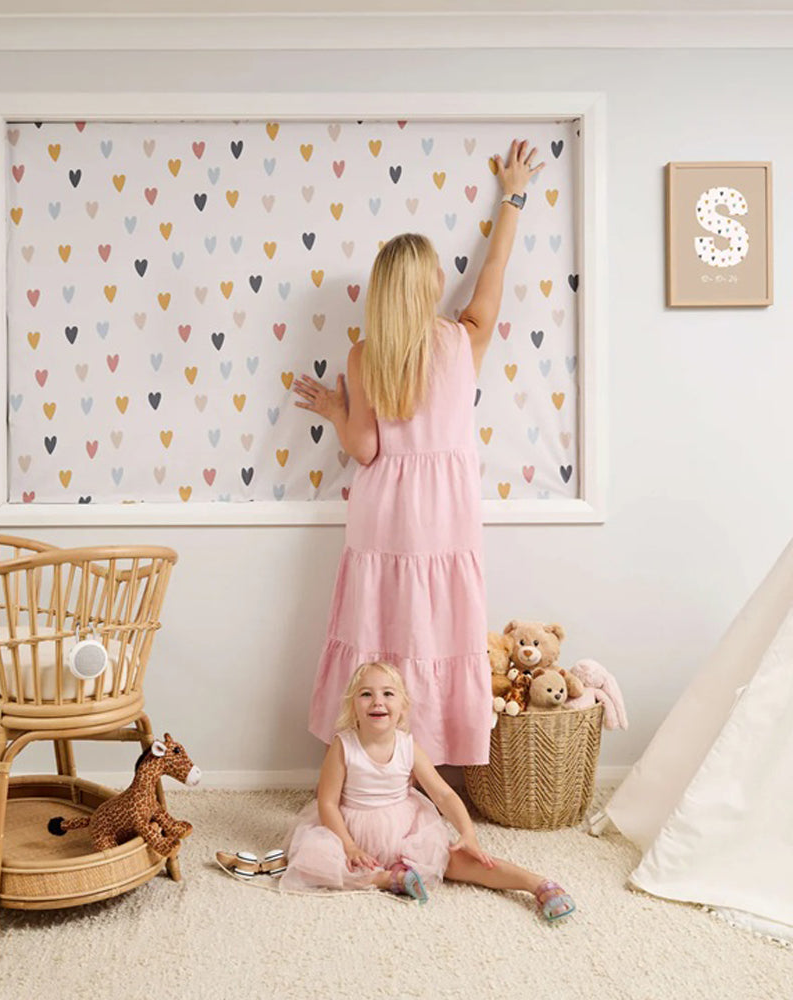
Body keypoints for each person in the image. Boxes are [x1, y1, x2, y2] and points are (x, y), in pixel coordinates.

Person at [292, 139, 543, 767]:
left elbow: (365, 449)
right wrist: (512, 197)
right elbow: (494, 270)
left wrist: (336, 410)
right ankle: (430, 757)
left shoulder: (365, 354)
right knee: (436, 629)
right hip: (446, 509)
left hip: (383, 509)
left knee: (378, 627)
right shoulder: (462, 340)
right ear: (433, 284)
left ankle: (372, 757)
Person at [279, 661, 574, 920]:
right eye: (366, 694)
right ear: (352, 705)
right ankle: (386, 879)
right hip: (351, 829)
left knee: (459, 861)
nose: (377, 701)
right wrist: (349, 846)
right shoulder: (344, 745)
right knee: (314, 864)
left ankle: (536, 883)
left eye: (388, 693)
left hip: (405, 828)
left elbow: (443, 794)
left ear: (403, 707)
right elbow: (327, 803)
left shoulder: (407, 745)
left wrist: (467, 833)